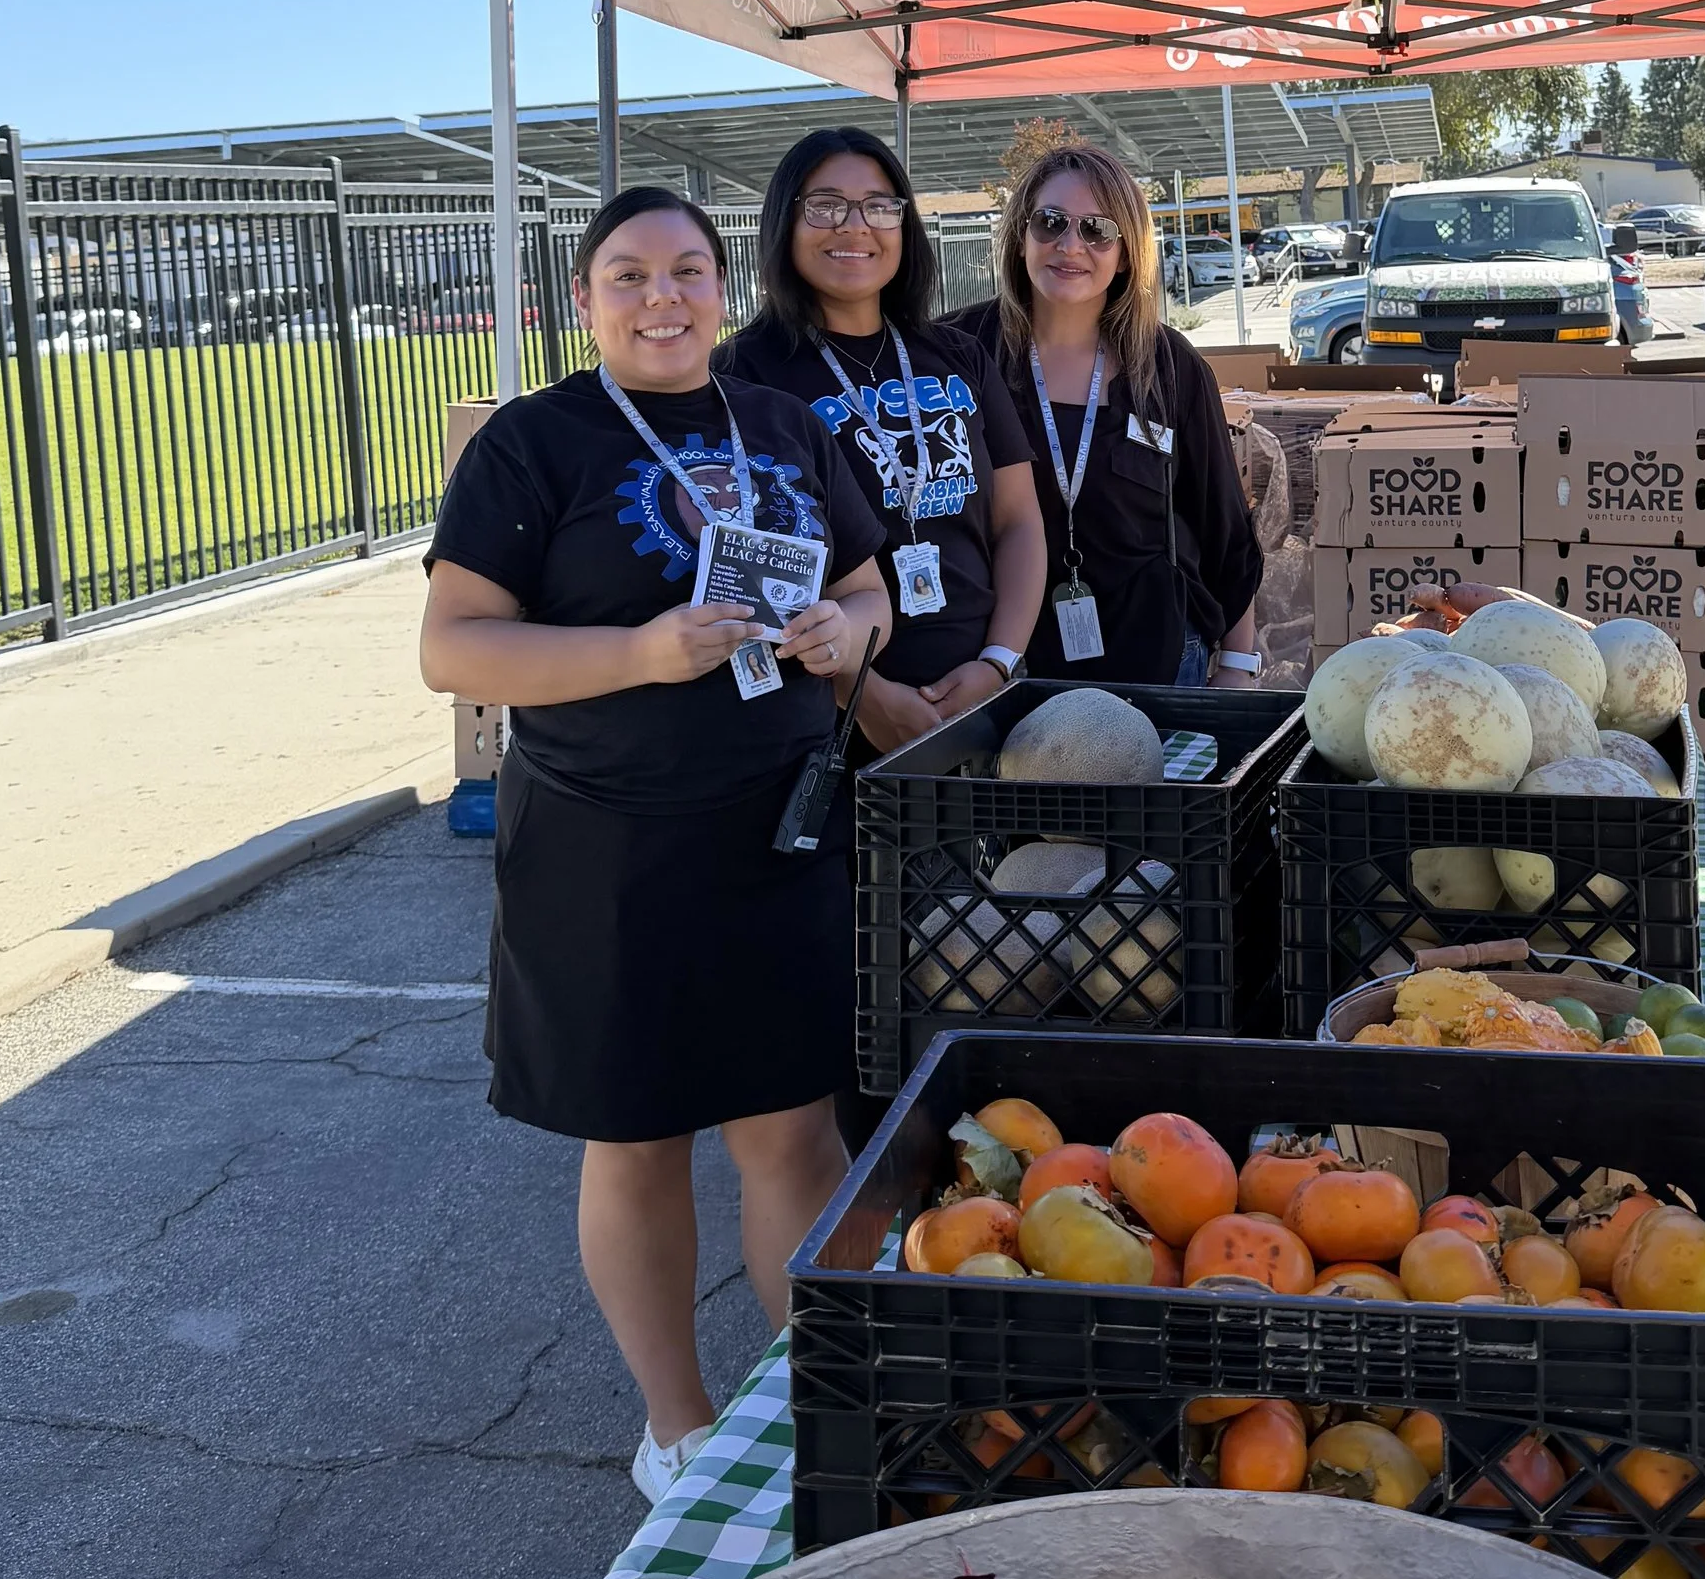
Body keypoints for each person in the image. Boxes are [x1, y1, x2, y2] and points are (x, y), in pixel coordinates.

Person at [419, 186, 891, 1505]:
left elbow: (869, 583)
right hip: (603, 849)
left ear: (724, 290)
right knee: (633, 1136)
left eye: (686, 270)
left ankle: (816, 1399)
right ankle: (678, 1426)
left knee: (791, 1136)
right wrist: (638, 650)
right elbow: (451, 645)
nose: (661, 296)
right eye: (627, 275)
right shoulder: (533, 442)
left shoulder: (784, 422)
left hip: (779, 828)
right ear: (582, 301)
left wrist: (850, 633)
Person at [718, 126, 1049, 752]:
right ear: (783, 222)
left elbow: (1019, 523)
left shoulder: (958, 355)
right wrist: (862, 695)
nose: (854, 225)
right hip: (826, 708)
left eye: (878, 205)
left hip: (981, 691)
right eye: (825, 205)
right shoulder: (741, 373)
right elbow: (745, 573)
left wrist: (998, 663)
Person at [953, 140, 1265, 687]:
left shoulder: (1169, 364)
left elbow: (1223, 524)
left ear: (1125, 252)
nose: (1071, 245)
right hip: (997, 671)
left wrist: (1238, 663)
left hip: (1160, 663)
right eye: (1050, 222)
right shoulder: (959, 353)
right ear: (1020, 235)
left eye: (1097, 230)